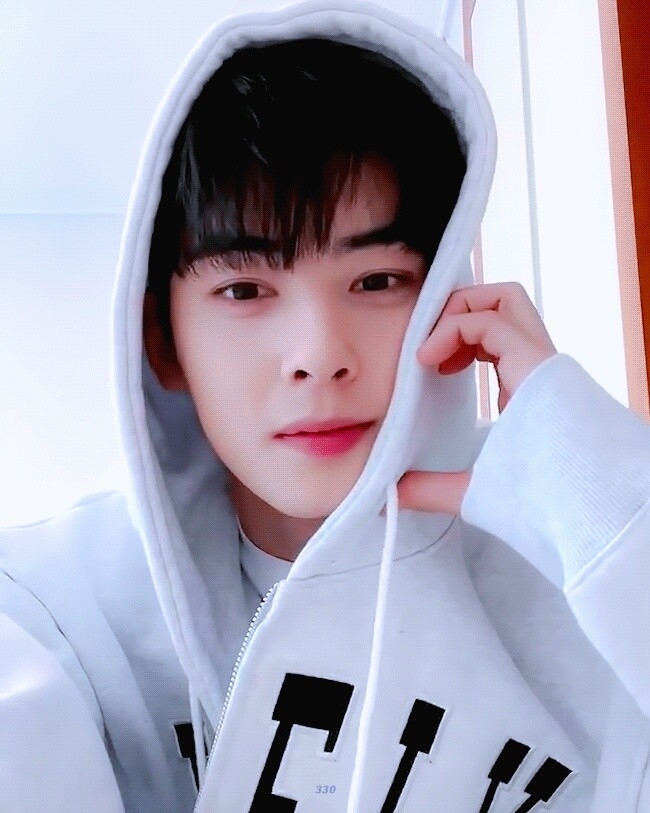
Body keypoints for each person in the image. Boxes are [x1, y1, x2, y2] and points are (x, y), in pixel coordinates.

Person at [2, 1, 650, 811]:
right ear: (161, 342)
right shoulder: (55, 608)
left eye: (376, 281)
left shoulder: (582, 579)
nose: (318, 353)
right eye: (245, 290)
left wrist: (614, 509)